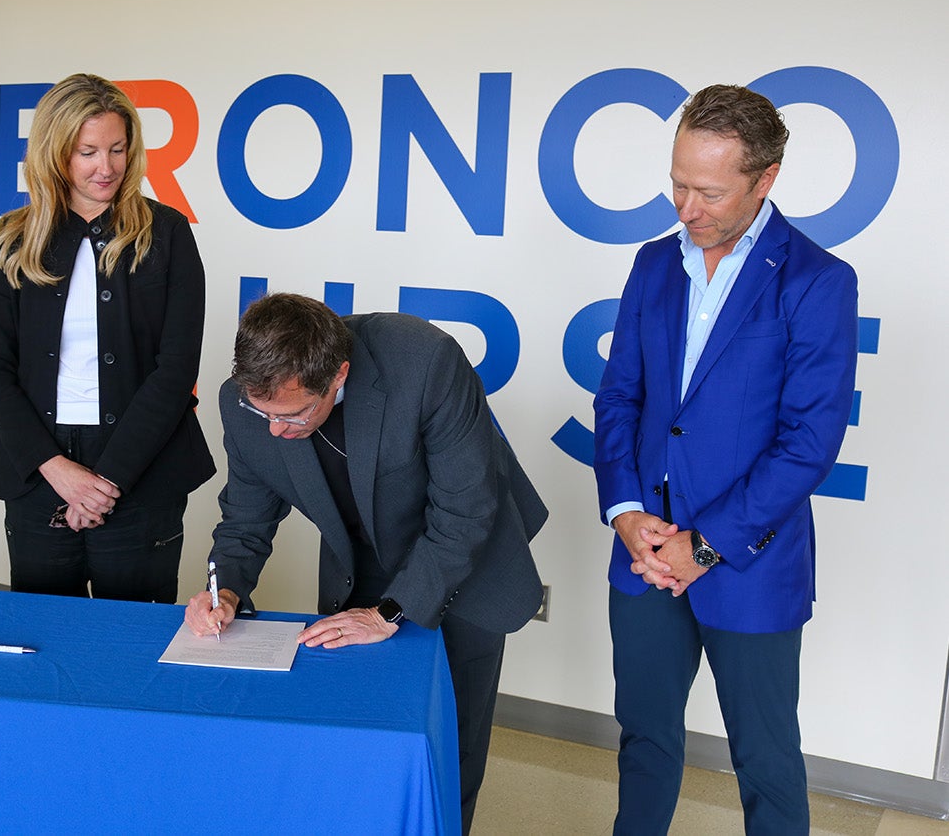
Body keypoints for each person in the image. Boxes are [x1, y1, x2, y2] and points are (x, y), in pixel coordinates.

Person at [593, 85, 859, 835]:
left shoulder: (816, 281)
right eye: (677, 182)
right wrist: (627, 512)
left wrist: (701, 545)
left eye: (709, 191)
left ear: (765, 179)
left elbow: (809, 442)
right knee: (644, 744)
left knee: (767, 761)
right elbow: (619, 399)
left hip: (750, 562)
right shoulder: (653, 265)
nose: (685, 207)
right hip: (642, 555)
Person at [183, 293, 547, 833]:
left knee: (447, 744)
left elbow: (464, 511)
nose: (276, 430)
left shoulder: (424, 360)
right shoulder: (245, 407)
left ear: (339, 375)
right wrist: (226, 591)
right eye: (265, 413)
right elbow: (245, 518)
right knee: (360, 729)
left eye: (293, 414)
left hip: (466, 565)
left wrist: (389, 611)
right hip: (362, 561)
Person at [0, 73, 215, 602]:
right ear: (55, 153)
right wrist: (58, 471)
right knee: (43, 640)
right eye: (87, 152)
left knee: (133, 645)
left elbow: (174, 371)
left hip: (142, 467)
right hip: (39, 469)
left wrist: (104, 483)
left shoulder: (167, 233)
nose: (106, 167)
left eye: (117, 149)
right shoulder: (13, 239)